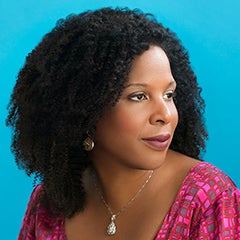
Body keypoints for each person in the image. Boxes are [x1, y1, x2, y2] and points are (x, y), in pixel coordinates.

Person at [6, 7, 240, 240]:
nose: (165, 114)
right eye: (139, 96)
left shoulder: (208, 197)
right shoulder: (50, 203)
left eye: (169, 95)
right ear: (85, 108)